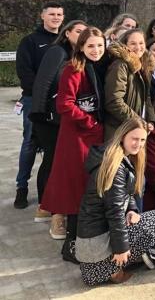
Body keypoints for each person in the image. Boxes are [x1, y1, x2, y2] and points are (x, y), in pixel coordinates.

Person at [76, 117, 155, 285]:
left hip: (90, 248)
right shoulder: (115, 166)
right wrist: (121, 249)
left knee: (140, 220)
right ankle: (115, 268)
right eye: (134, 138)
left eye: (142, 140)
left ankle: (119, 262)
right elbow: (114, 211)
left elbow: (125, 195)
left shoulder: (112, 155)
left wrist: (132, 210)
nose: (138, 144)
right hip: (98, 247)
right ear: (122, 136)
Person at [42, 27, 105, 261]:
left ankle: (80, 242)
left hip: (93, 135)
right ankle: (71, 245)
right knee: (76, 189)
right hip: (77, 136)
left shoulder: (98, 66)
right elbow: (65, 105)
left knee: (88, 187)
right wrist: (90, 122)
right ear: (81, 47)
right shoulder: (73, 69)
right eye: (91, 46)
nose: (96, 50)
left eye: (100, 45)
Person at [30, 19, 87, 229]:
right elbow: (43, 82)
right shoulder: (58, 52)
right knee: (52, 161)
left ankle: (48, 206)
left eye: (85, 31)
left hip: (59, 117)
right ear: (67, 33)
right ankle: (45, 206)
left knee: (56, 161)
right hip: (48, 117)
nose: (82, 34)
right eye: (78, 31)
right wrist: (39, 113)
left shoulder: (76, 54)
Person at [14, 1, 64, 210]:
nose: (56, 18)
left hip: (59, 102)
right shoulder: (30, 42)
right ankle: (22, 187)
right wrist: (42, 96)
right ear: (42, 16)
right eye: (52, 14)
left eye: (59, 14)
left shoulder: (65, 42)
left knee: (55, 148)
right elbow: (25, 73)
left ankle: (52, 189)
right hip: (34, 100)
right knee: (30, 143)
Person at [104, 29, 155, 141]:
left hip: (135, 130)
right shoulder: (120, 65)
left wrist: (150, 120)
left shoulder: (143, 65)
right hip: (118, 131)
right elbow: (114, 102)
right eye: (133, 43)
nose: (138, 47)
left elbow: (146, 97)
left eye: (141, 43)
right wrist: (138, 121)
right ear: (125, 45)